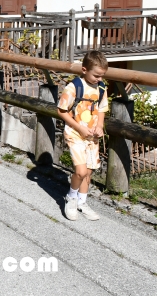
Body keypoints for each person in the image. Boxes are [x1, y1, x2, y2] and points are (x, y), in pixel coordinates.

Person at [57, 50, 108, 222]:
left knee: (89, 171)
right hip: (75, 133)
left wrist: (100, 126)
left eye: (102, 76)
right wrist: (79, 128)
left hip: (92, 136)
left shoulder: (101, 88)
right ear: (84, 70)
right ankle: (71, 198)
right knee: (80, 171)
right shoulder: (73, 87)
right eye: (96, 75)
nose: (99, 79)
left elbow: (101, 109)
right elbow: (61, 111)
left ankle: (82, 202)